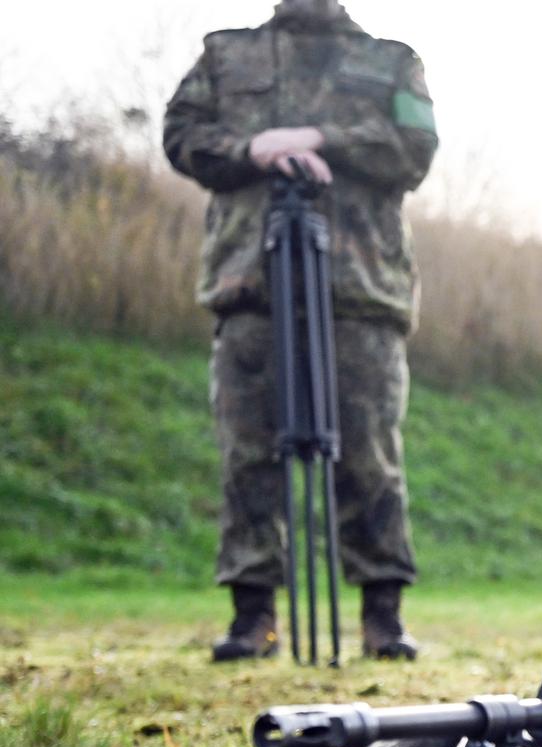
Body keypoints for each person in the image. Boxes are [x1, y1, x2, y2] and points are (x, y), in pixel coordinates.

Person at [164, 0, 437, 662]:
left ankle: (383, 616)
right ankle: (252, 617)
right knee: (248, 455)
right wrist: (252, 149)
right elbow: (181, 134)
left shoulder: (393, 60)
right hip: (249, 284)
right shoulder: (225, 54)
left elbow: (416, 149)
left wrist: (317, 138)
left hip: (361, 291)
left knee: (371, 456)